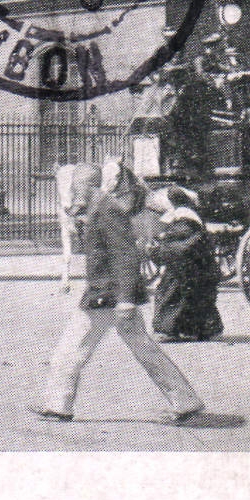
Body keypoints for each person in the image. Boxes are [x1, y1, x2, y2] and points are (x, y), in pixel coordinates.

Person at [31, 163, 205, 424]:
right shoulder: (98, 208)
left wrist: (125, 301)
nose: (72, 191)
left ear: (86, 185)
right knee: (145, 349)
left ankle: (58, 406)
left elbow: (124, 256)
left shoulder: (107, 210)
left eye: (76, 185)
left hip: (108, 296)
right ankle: (186, 401)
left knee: (70, 349)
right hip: (112, 294)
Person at [148, 196, 224, 342]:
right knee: (197, 297)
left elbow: (174, 251)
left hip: (184, 274)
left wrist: (153, 252)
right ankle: (204, 329)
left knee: (172, 291)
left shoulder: (182, 226)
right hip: (201, 274)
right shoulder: (194, 226)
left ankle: (168, 330)